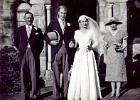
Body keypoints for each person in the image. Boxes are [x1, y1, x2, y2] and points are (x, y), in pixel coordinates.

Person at [68, 15, 102, 100]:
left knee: (88, 72)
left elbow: (96, 43)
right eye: (82, 21)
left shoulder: (91, 32)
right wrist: (72, 45)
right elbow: (75, 43)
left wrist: (92, 47)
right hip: (79, 54)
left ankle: (89, 94)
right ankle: (78, 94)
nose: (84, 23)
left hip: (88, 54)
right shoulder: (77, 32)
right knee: (79, 73)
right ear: (79, 23)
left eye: (85, 21)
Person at [44, 5, 74, 100]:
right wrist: (50, 41)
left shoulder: (69, 24)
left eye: (65, 13)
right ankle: (57, 95)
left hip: (66, 50)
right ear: (58, 13)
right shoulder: (53, 23)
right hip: (56, 50)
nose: (63, 15)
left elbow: (73, 36)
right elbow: (45, 35)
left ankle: (65, 94)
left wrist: (72, 41)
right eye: (61, 13)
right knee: (56, 73)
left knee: (66, 73)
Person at [14, 12, 44, 100]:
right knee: (23, 74)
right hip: (23, 53)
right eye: (27, 18)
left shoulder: (37, 30)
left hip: (33, 54)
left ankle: (34, 95)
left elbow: (41, 44)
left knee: (34, 74)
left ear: (33, 18)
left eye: (30, 18)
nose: (29, 19)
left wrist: (36, 52)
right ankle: (25, 95)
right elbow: (16, 42)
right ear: (24, 19)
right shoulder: (20, 29)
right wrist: (21, 50)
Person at [104, 17, 127, 98]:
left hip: (119, 54)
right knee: (111, 73)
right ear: (109, 25)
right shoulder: (107, 34)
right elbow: (105, 46)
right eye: (111, 24)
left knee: (118, 72)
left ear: (117, 24)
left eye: (114, 23)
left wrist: (122, 47)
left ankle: (118, 91)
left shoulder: (122, 32)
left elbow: (125, 43)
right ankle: (113, 90)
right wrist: (105, 57)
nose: (113, 25)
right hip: (110, 54)